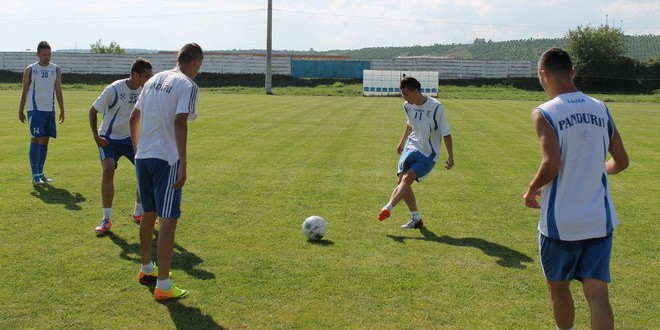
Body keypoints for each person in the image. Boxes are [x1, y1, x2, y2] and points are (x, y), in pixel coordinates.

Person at [523, 48, 629, 330]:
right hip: (598, 219)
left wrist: (532, 188)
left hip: (562, 222)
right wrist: (595, 170)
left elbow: (552, 163)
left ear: (544, 75)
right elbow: (621, 161)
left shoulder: (545, 112)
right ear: (573, 72)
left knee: (558, 288)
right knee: (598, 294)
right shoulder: (600, 107)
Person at [129, 43, 203, 300]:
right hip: (166, 159)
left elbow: (133, 119)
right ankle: (163, 285)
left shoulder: (152, 80)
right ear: (196, 62)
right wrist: (183, 162)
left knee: (148, 214)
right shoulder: (188, 85)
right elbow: (180, 121)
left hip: (143, 157)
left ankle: (146, 269)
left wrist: (138, 150)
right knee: (168, 221)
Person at [377, 76, 454, 228]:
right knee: (401, 181)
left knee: (407, 179)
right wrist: (402, 141)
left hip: (428, 151)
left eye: (406, 94)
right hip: (411, 146)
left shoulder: (436, 107)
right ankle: (416, 219)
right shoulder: (407, 106)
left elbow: (446, 132)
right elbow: (410, 124)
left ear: (416, 91)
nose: (403, 97)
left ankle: (388, 207)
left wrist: (450, 156)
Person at [91, 58, 154, 235]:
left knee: (146, 171)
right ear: (135, 75)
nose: (150, 79)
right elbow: (93, 111)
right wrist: (96, 136)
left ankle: (139, 213)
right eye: (147, 76)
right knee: (108, 168)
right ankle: (106, 219)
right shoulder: (114, 89)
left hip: (130, 138)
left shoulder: (146, 90)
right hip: (109, 138)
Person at [18, 41, 65, 185]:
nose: (47, 57)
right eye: (44, 54)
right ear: (37, 54)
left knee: (45, 140)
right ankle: (35, 175)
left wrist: (62, 109)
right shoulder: (30, 70)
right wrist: (20, 110)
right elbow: (24, 90)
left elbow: (58, 90)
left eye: (49, 54)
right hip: (35, 110)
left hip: (49, 110)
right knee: (36, 139)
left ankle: (41, 172)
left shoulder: (55, 69)